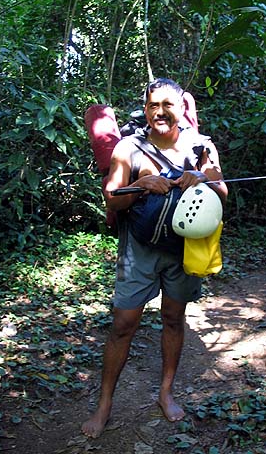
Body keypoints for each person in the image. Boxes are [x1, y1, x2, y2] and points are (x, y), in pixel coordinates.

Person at [82, 78, 228, 438]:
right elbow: (112, 199)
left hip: (185, 250)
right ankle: (104, 405)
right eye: (152, 106)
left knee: (174, 319)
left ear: (182, 108)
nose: (160, 112)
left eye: (167, 105)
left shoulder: (202, 147)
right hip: (140, 249)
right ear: (145, 109)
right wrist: (141, 185)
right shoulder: (129, 148)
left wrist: (203, 178)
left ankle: (165, 392)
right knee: (123, 325)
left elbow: (223, 192)